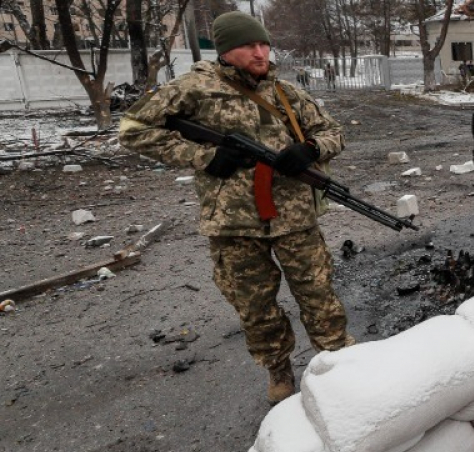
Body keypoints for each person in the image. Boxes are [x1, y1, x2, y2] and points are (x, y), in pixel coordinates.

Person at [118, 11, 355, 405]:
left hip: (294, 216)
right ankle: (279, 370)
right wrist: (203, 156)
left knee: (318, 293)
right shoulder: (193, 89)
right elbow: (133, 130)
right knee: (255, 303)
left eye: (264, 44)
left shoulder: (286, 92)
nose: (261, 53)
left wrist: (310, 149)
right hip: (233, 223)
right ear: (226, 50)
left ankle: (338, 363)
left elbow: (333, 132)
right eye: (250, 46)